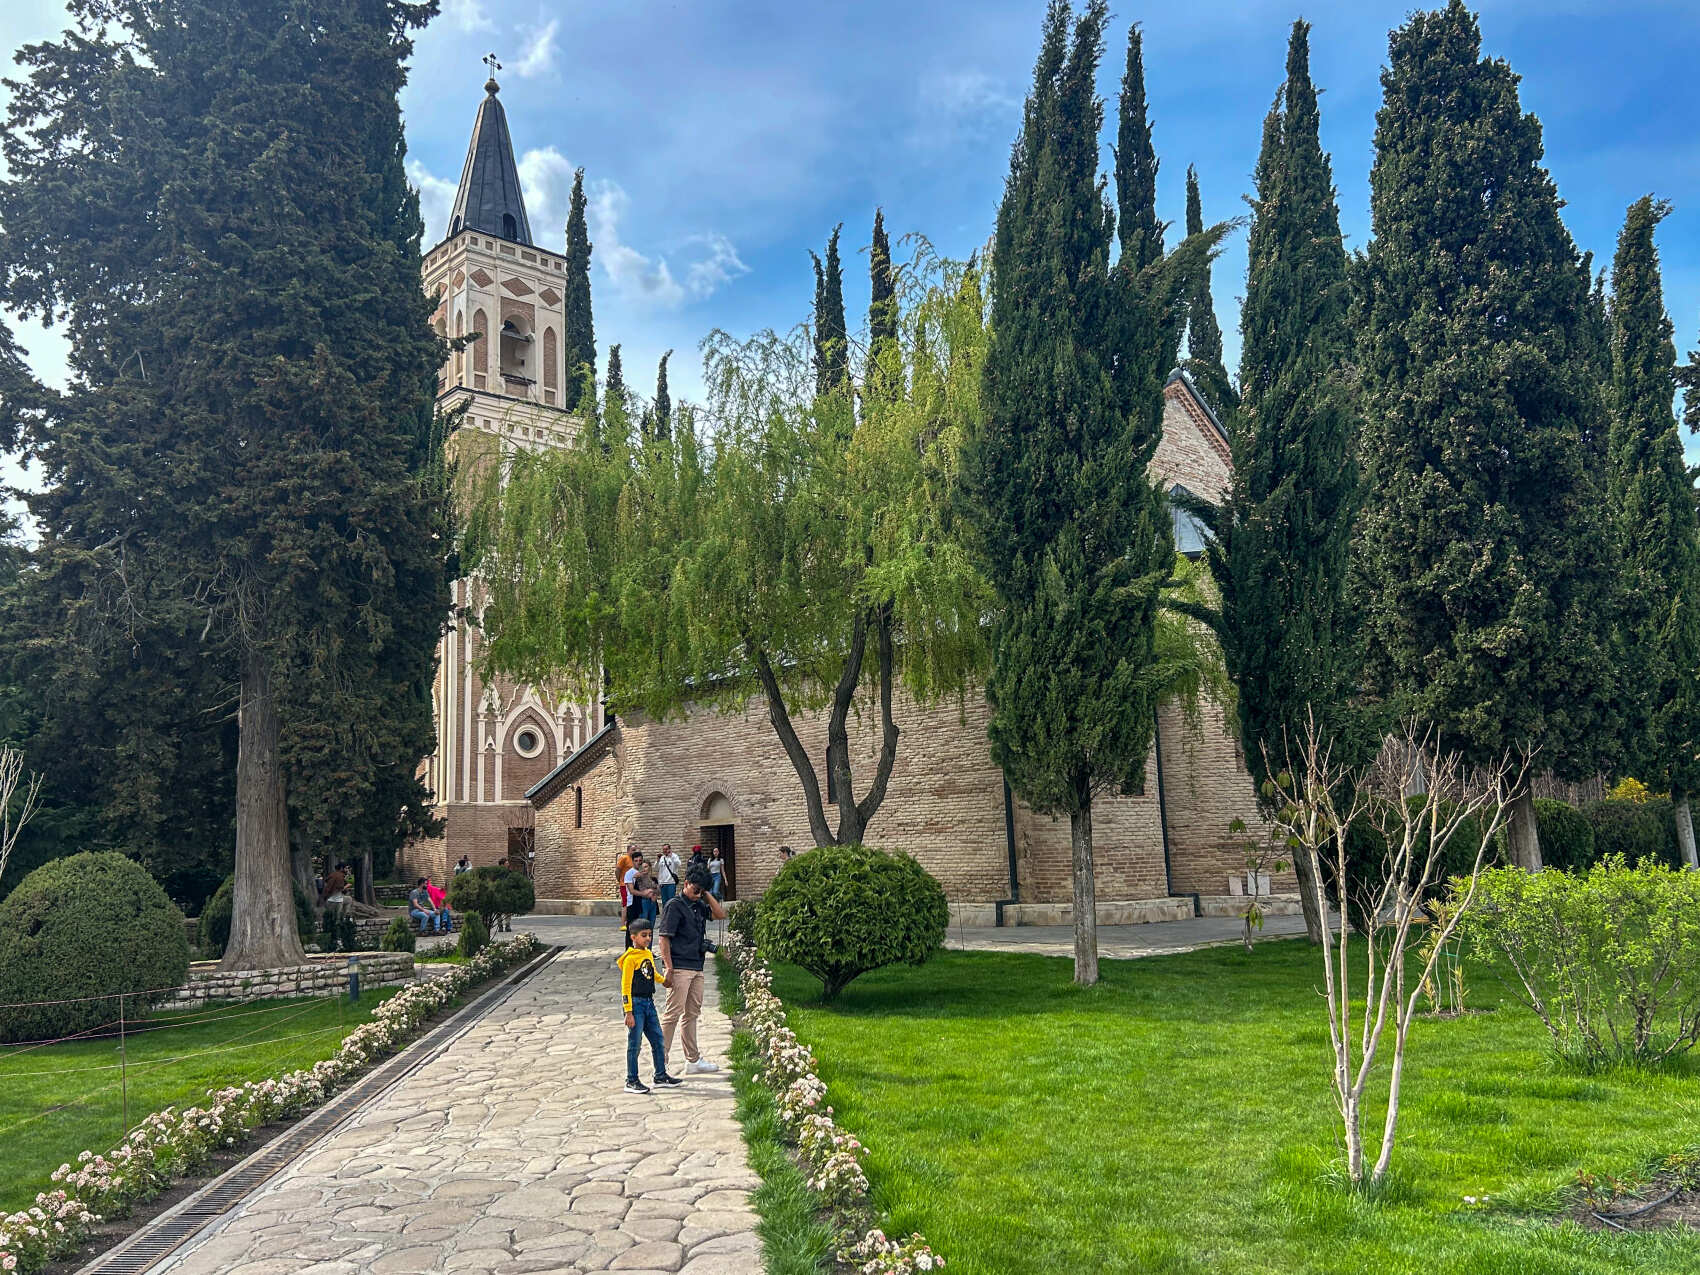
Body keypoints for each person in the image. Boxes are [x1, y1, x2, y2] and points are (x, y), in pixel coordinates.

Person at [657, 866, 727, 1075]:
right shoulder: (674, 906)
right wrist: (669, 968)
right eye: (695, 889)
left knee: (692, 1014)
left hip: (697, 966)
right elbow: (663, 938)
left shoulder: (699, 905)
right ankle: (660, 1062)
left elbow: (720, 914)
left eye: (701, 891)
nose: (697, 894)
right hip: (679, 967)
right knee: (672, 1014)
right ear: (685, 883)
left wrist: (706, 893)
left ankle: (693, 1060)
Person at [618, 918, 682, 1094]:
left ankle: (660, 1075)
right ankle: (631, 1080)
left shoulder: (647, 954)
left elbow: (651, 973)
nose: (647, 938)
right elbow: (625, 986)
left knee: (658, 1039)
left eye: (649, 935)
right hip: (636, 1005)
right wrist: (628, 1011)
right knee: (635, 1043)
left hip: (649, 1003)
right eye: (643, 935)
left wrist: (664, 981)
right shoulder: (630, 959)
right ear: (633, 937)